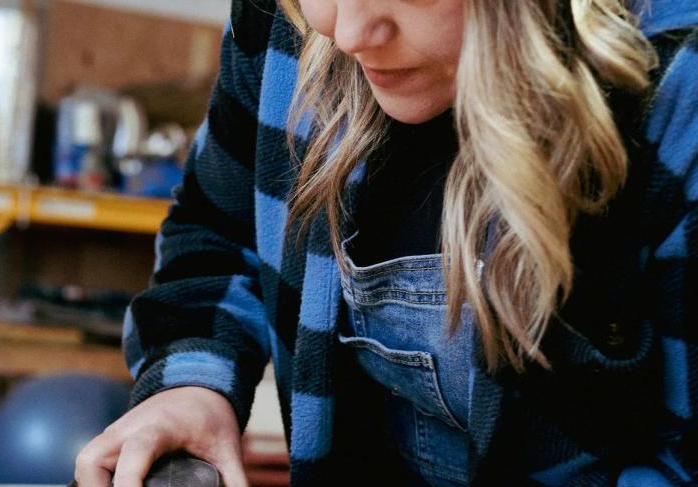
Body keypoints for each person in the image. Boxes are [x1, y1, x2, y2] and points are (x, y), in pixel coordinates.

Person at [76, 0, 698, 485]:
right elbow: (218, 228)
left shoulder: (674, 88)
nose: (346, 31)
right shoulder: (284, 26)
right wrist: (191, 389)